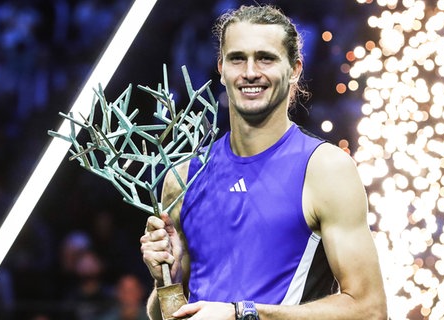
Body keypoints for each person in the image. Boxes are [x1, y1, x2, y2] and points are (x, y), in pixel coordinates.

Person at [140, 4, 387, 320]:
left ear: (295, 69)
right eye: (237, 58)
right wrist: (167, 282)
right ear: (221, 67)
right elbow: (167, 314)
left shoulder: (325, 169)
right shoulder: (184, 176)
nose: (250, 72)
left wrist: (243, 314)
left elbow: (370, 310)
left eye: (265, 58)